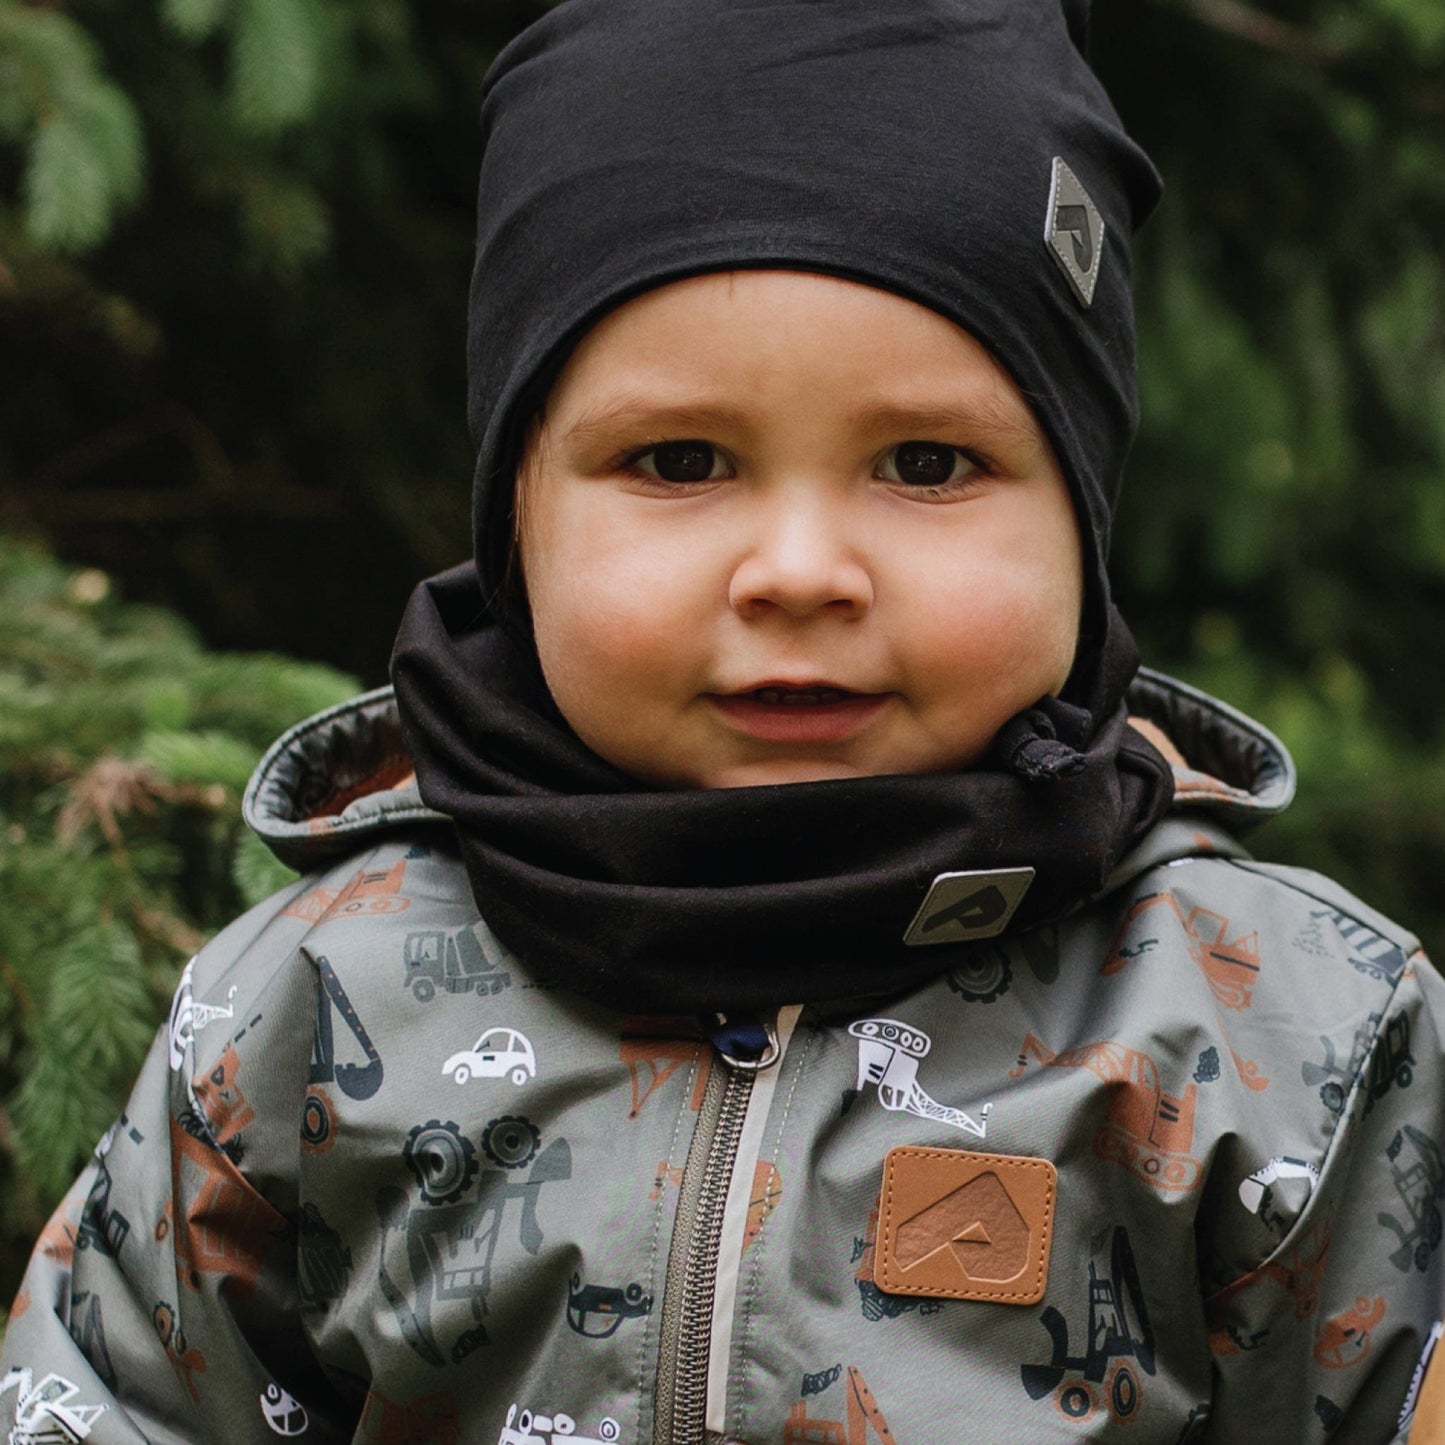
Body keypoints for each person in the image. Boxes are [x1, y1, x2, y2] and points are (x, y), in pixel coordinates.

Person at [3, 2, 1441, 1441]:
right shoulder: (307, 1014)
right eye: (679, 460)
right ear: (519, 514)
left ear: (1080, 513)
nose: (800, 570)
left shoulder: (1278, 1042)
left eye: (926, 461)